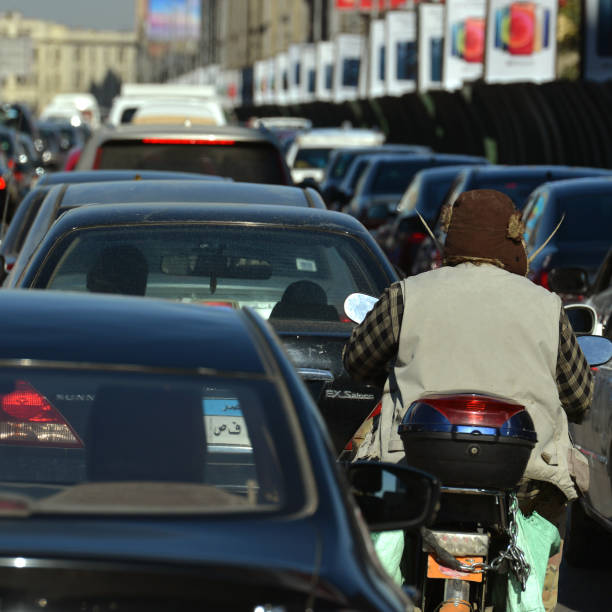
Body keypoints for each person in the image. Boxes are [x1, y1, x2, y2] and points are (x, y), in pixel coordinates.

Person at [343, 189, 593, 611]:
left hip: (412, 468)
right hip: (523, 478)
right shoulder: (547, 307)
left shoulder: (407, 294)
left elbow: (358, 361)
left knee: (371, 516)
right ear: (514, 242)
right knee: (542, 525)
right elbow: (581, 397)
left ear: (450, 236)